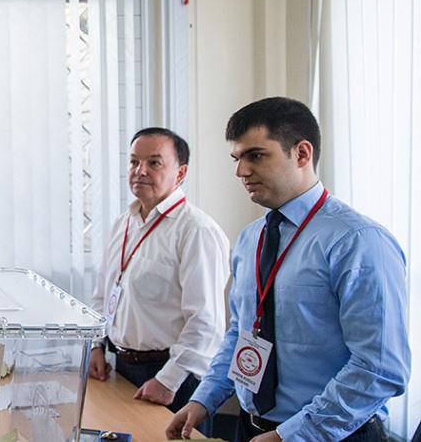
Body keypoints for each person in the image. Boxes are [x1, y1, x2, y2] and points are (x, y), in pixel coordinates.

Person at [166, 97, 410, 441]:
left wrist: (292, 435)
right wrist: (204, 398)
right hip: (252, 428)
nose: (241, 171)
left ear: (302, 153)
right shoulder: (251, 238)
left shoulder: (358, 241)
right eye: (237, 159)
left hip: (330, 434)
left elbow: (379, 369)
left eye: (255, 156)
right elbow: (241, 333)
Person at [88, 128, 229, 428]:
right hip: (121, 366)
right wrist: (96, 345)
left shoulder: (197, 230)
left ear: (181, 173)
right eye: (134, 162)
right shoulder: (123, 223)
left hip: (175, 376)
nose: (140, 171)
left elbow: (206, 322)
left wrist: (168, 380)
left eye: (154, 162)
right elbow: (103, 294)